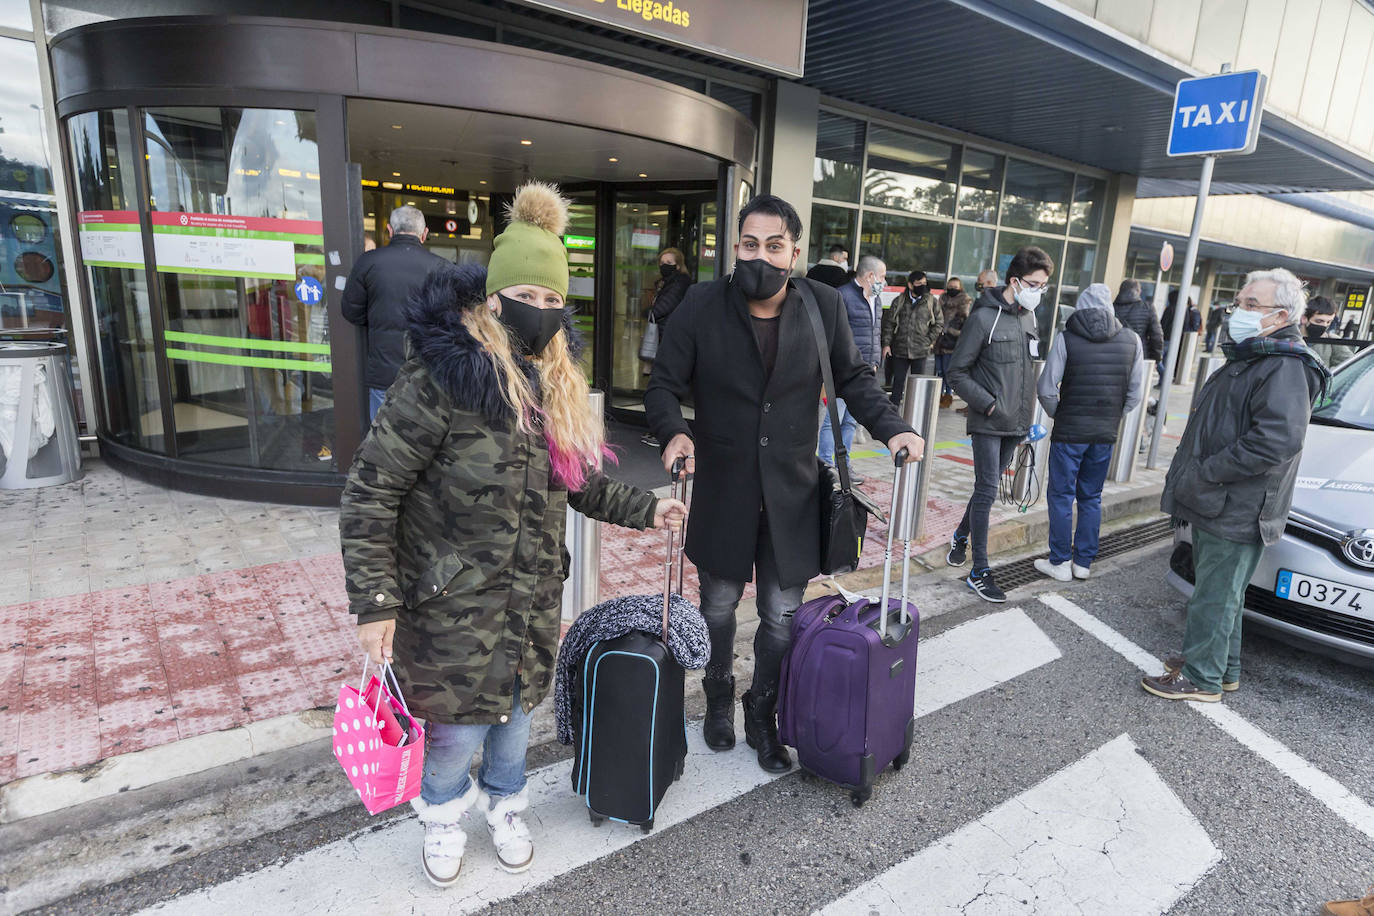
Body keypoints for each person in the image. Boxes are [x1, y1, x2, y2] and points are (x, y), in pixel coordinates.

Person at [339, 182, 686, 888]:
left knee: (515, 721)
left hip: (527, 598)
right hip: (449, 605)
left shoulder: (551, 382)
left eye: (556, 299)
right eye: (531, 292)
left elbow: (579, 480)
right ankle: (441, 817)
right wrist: (376, 603)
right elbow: (371, 490)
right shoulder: (442, 379)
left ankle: (504, 807)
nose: (544, 309)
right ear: (495, 297)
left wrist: (648, 510)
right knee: (455, 730)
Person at [645, 194, 923, 773]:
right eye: (750, 244)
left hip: (794, 494)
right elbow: (663, 385)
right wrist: (674, 433)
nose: (761, 256)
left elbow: (853, 377)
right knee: (718, 606)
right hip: (723, 488)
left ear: (794, 253)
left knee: (778, 615)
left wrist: (893, 428)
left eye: (774, 245)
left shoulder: (822, 304)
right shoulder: (701, 304)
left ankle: (761, 712)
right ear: (735, 247)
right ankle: (717, 697)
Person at [1144, 268, 1330, 702]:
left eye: (1251, 305)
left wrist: (1209, 471)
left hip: (1235, 502)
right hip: (1225, 499)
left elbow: (1276, 440)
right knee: (1222, 592)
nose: (1239, 311)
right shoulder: (1258, 356)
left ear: (1280, 314)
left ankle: (1202, 678)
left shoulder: (1283, 365)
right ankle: (1218, 667)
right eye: (1240, 303)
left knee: (1215, 594)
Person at [945, 246, 1054, 603]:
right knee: (988, 489)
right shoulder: (984, 318)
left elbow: (1028, 370)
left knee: (984, 491)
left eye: (1043, 286)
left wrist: (1029, 418)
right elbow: (957, 373)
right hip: (989, 421)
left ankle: (961, 536)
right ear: (1015, 281)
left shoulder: (1029, 318)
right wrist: (989, 405)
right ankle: (980, 570)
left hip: (1017, 423)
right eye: (1034, 284)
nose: (1039, 291)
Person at [1032, 284, 1143, 582]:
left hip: (1069, 432)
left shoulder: (1066, 338)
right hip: (1104, 434)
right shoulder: (1132, 340)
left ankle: (1059, 562)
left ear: (1080, 306)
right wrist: (1110, 417)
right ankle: (1083, 563)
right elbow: (1135, 394)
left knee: (1060, 496)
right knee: (1091, 497)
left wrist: (1060, 413)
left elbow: (1045, 387)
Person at [342, 205, 449, 420]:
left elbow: (351, 311)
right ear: (424, 234)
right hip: (428, 376)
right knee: (425, 442)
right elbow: (452, 320)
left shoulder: (369, 262)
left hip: (384, 375)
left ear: (389, 230)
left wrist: (376, 317)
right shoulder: (442, 268)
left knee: (381, 442)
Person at [819, 254, 886, 482]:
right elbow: (832, 336)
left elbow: (876, 333)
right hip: (842, 372)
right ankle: (827, 467)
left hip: (866, 371)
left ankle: (844, 465)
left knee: (850, 421)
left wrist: (875, 362)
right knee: (833, 421)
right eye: (883, 277)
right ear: (870, 276)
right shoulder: (842, 296)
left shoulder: (875, 299)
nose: (884, 282)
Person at [639, 248, 695, 445]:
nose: (665, 266)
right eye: (662, 262)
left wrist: (648, 310)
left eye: (669, 262)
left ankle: (665, 432)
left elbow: (663, 308)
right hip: (663, 335)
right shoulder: (664, 284)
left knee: (664, 384)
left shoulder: (680, 283)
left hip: (670, 338)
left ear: (678, 265)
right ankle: (661, 430)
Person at [881, 270, 940, 409]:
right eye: (919, 283)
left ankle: (915, 411)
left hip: (920, 350)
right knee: (898, 383)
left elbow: (939, 323)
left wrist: (929, 340)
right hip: (900, 349)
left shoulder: (931, 301)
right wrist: (886, 344)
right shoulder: (899, 300)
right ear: (910, 284)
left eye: (924, 283)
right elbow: (889, 323)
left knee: (918, 384)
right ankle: (893, 411)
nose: (923, 286)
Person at [934, 276, 972, 409]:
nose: (952, 289)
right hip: (939, 340)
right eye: (950, 287)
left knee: (947, 370)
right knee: (938, 370)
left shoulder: (964, 302)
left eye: (955, 287)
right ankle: (938, 394)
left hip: (952, 341)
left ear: (960, 288)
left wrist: (952, 331)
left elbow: (965, 322)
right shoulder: (941, 299)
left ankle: (948, 395)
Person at [1113, 279, 1165, 367]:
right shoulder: (1148, 307)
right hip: (1139, 355)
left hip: (1115, 354)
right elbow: (1157, 335)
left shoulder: (1111, 308)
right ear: (1138, 291)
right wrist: (1155, 357)